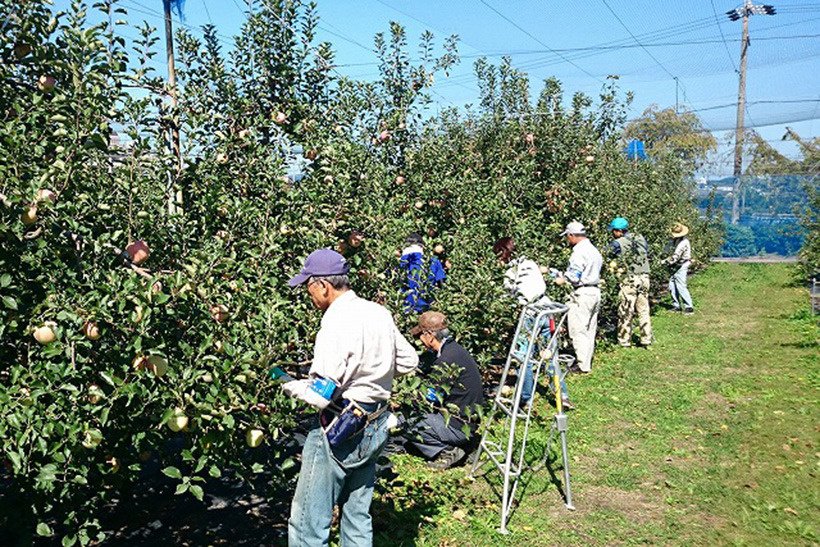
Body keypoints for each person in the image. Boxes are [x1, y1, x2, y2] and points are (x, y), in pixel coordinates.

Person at [283, 248, 419, 546]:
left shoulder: (335, 321)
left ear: (322, 285)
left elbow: (321, 395)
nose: (309, 295)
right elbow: (410, 362)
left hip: (340, 427)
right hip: (376, 423)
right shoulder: (377, 312)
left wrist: (289, 384)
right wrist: (374, 368)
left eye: (308, 287)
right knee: (357, 517)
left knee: (308, 523)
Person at [493, 237, 572, 409]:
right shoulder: (530, 262)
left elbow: (509, 299)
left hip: (530, 314)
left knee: (524, 357)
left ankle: (525, 398)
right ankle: (562, 396)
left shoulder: (510, 273)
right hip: (547, 309)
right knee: (550, 354)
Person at [404, 311, 484, 470]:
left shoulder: (445, 362)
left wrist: (406, 398)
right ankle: (466, 443)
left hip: (457, 425)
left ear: (429, 335)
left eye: (421, 335)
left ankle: (448, 451)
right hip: (468, 421)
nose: (420, 340)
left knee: (408, 423)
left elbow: (431, 397)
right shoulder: (455, 350)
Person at [553, 221, 603, 374]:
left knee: (578, 329)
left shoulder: (579, 252)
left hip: (582, 293)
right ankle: (586, 361)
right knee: (589, 329)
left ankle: (582, 366)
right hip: (594, 291)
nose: (568, 240)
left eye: (568, 236)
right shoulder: (594, 250)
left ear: (572, 235)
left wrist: (559, 279)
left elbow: (574, 276)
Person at [608, 217, 653, 348]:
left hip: (630, 278)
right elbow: (646, 252)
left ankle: (624, 341)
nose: (612, 234)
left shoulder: (618, 243)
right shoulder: (640, 238)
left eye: (613, 231)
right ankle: (646, 339)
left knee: (626, 311)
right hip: (644, 277)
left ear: (618, 231)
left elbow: (606, 254)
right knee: (643, 310)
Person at [399, 232, 447, 313]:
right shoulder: (434, 261)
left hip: (406, 310)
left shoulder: (400, 263)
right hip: (427, 309)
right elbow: (441, 284)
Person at [663, 222, 694, 314]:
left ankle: (689, 307)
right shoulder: (674, 240)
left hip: (682, 264)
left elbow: (675, 257)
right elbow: (667, 249)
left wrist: (663, 262)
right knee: (672, 285)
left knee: (681, 285)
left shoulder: (683, 243)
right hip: (675, 264)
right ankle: (676, 305)